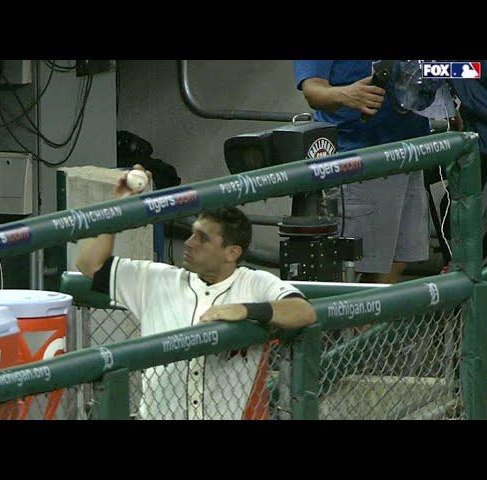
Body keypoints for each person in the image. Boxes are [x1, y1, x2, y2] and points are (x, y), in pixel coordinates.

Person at [75, 165, 316, 420]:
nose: (189, 243)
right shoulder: (156, 280)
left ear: (231, 252)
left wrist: (246, 310)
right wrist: (118, 206)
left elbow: (304, 311)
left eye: (202, 238)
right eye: (192, 234)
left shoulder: (254, 284)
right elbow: (89, 264)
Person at [294, 60, 432, 283]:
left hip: (408, 153)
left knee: (400, 255)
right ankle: (353, 317)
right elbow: (313, 90)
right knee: (355, 263)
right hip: (358, 158)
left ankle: (375, 318)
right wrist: (345, 94)